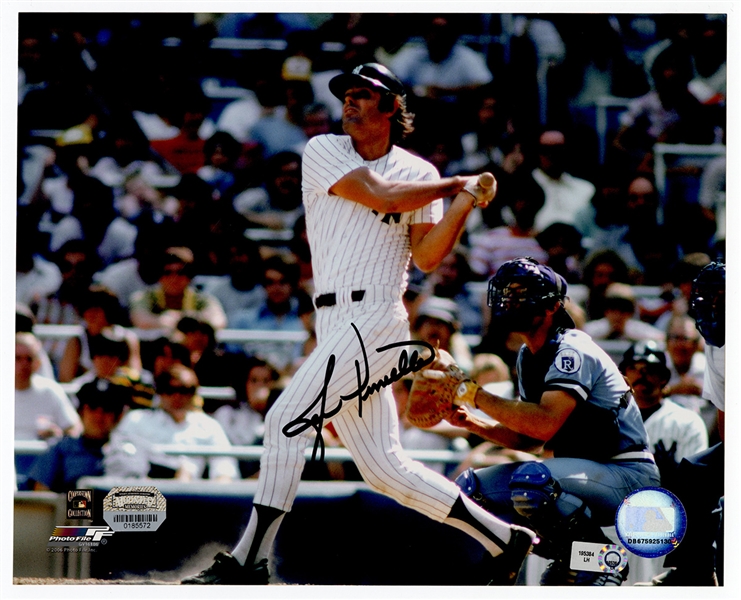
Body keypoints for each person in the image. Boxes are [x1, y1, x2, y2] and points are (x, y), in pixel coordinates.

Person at [181, 62, 535, 586]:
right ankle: (505, 540)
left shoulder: (420, 172)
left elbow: (429, 256)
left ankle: (248, 562)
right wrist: (459, 182)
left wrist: (462, 202)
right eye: (346, 93)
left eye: (363, 94)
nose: (349, 101)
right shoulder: (324, 149)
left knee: (284, 421)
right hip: (333, 318)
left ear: (391, 107)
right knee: (384, 467)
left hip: (376, 316)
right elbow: (381, 196)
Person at [446, 257, 659, 585]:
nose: (509, 301)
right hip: (579, 473)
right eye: (507, 293)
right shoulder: (527, 357)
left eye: (521, 293)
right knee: (470, 491)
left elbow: (544, 423)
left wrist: (472, 393)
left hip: (628, 476)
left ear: (551, 306)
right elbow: (531, 440)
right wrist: (471, 422)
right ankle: (559, 558)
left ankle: (603, 562)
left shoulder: (572, 349)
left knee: (533, 483)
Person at [652, 261, 724, 586]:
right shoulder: (714, 341)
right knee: (693, 473)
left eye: (721, 297)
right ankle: (691, 572)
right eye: (708, 298)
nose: (713, 305)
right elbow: (725, 412)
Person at [104, 364, 238, 482]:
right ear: (159, 392)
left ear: (194, 394)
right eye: (170, 390)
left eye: (185, 391)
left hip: (191, 500)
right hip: (145, 497)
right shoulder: (136, 420)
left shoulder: (209, 426)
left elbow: (225, 470)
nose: (177, 397)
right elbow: (120, 466)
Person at [27, 379, 129, 492]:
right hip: (76, 507)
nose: (99, 416)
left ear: (117, 416)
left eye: (107, 409)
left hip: (122, 507)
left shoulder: (133, 450)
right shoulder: (60, 451)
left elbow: (147, 497)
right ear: (81, 412)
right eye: (93, 407)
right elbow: (42, 499)